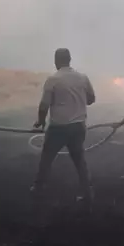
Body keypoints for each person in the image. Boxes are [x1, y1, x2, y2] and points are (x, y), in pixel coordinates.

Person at [31, 48, 96, 206]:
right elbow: (91, 99)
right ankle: (87, 193)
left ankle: (39, 188)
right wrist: (80, 102)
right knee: (79, 160)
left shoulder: (53, 79)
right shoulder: (83, 77)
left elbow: (44, 105)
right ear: (70, 59)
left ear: (56, 61)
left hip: (58, 127)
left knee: (46, 158)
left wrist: (40, 122)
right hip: (78, 126)